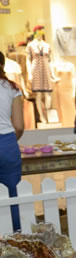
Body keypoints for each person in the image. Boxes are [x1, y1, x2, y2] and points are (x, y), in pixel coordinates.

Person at [0, 51, 24, 231]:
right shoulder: (13, 89)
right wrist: (9, 140)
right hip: (7, 142)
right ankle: (15, 238)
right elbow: (19, 125)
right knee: (12, 193)